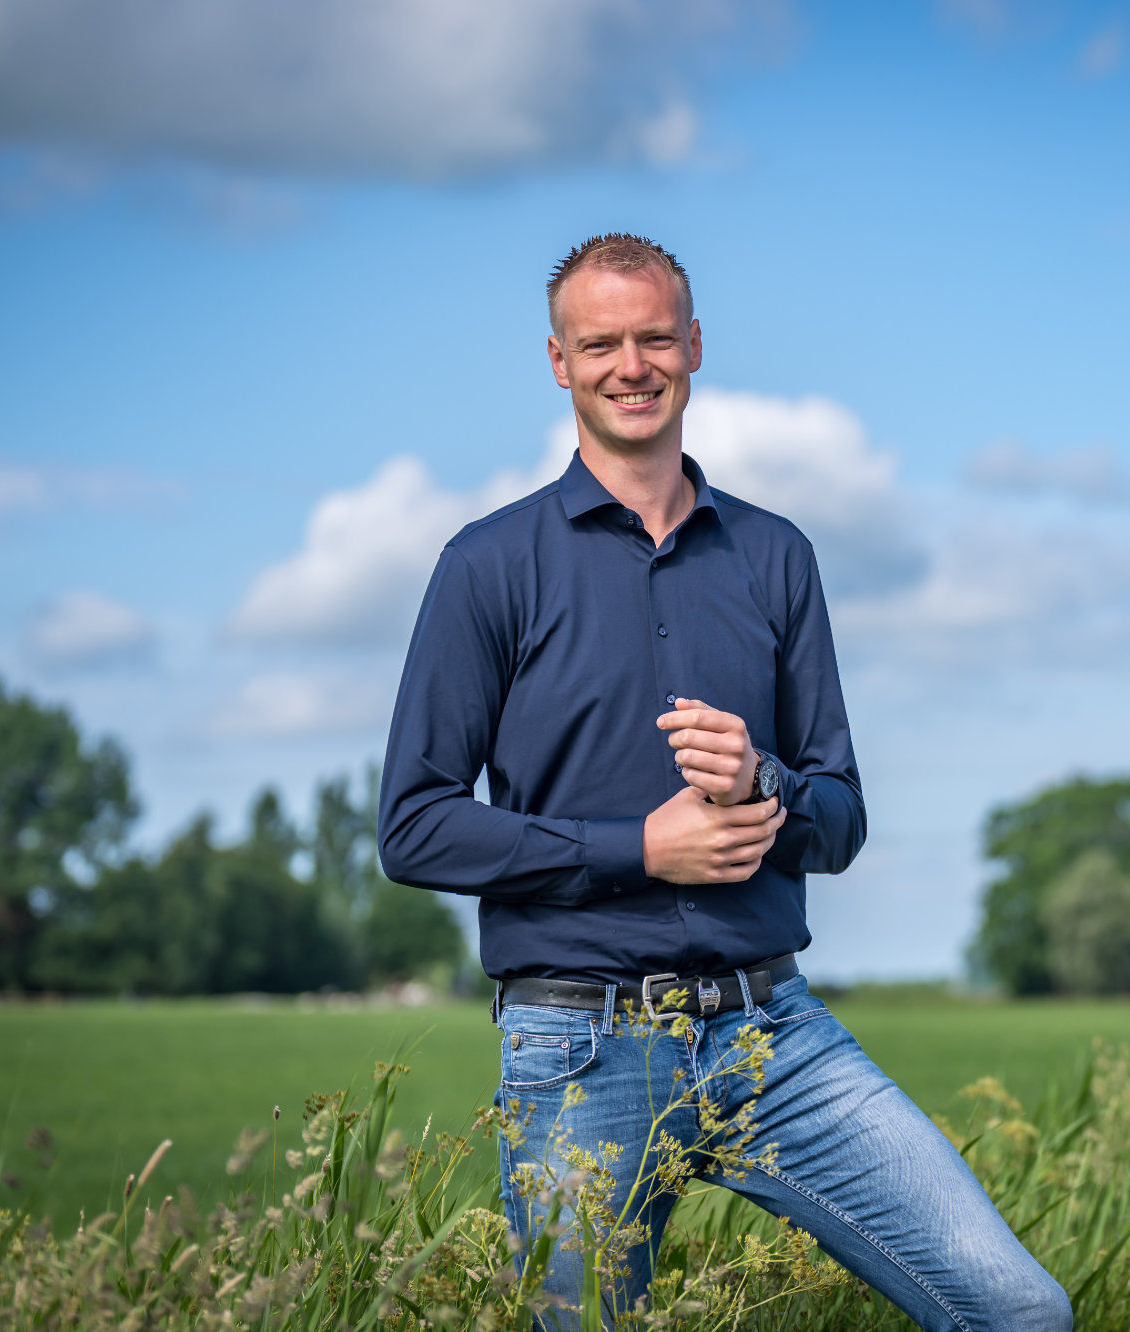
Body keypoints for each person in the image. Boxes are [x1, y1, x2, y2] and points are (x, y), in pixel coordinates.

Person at [379, 233, 1071, 1331]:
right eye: (600, 344)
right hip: (577, 1043)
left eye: (655, 338)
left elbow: (839, 819)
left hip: (771, 1031)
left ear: (694, 346)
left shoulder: (775, 555)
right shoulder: (487, 566)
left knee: (1019, 1310)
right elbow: (415, 828)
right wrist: (639, 850)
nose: (632, 366)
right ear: (558, 362)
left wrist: (763, 783)